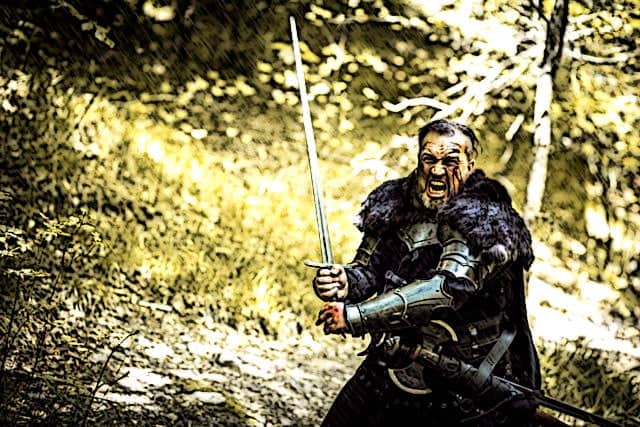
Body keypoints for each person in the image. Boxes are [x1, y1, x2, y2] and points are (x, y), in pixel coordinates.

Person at [313, 119, 541, 426]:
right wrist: (344, 282)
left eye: (450, 162)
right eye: (429, 159)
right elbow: (368, 271)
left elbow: (444, 291)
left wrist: (356, 317)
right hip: (393, 359)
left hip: (461, 383)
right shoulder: (394, 203)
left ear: (470, 166)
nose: (437, 171)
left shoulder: (486, 218)